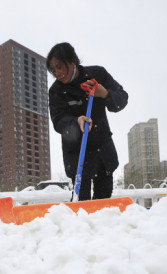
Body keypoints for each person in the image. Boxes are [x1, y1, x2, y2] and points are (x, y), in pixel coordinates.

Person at [46, 42, 128, 201]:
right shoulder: (56, 91)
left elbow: (122, 99)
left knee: (103, 204)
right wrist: (76, 121)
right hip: (78, 155)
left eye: (59, 66)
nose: (57, 73)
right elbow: (58, 120)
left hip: (102, 151)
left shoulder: (97, 74)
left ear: (73, 60)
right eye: (53, 70)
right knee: (80, 204)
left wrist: (104, 93)